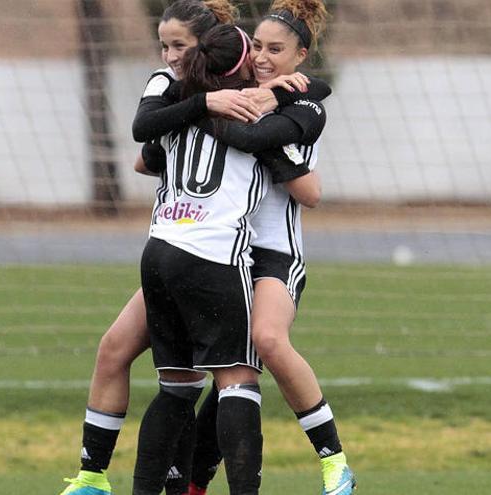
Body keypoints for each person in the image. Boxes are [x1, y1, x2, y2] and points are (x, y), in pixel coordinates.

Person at [59, 1, 317, 494]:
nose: (169, 55)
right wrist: (202, 110)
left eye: (179, 46)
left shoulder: (276, 99)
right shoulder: (174, 90)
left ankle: (194, 482)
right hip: (192, 246)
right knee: (153, 366)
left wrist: (255, 125)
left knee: (236, 370)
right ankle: (98, 476)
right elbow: (144, 148)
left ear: (211, 48)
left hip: (253, 252)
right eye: (164, 45)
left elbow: (311, 189)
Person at [132, 22, 299, 495]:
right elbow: (308, 188)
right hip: (212, 254)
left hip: (158, 248)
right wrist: (279, 95)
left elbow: (145, 153)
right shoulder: (251, 112)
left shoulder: (175, 108)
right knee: (238, 382)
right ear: (242, 65)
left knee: (177, 388)